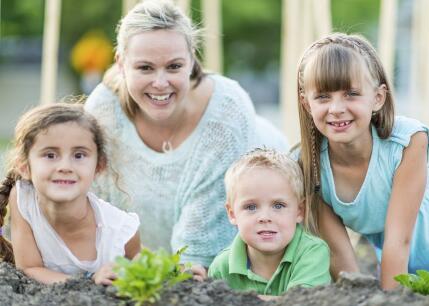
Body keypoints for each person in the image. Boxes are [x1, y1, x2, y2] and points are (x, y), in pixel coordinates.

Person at [84, 0, 288, 270]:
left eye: (173, 67)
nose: (160, 82)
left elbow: (200, 252)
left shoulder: (226, 114)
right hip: (151, 250)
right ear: (121, 64)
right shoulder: (102, 111)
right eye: (145, 68)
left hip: (257, 247)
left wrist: (174, 275)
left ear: (192, 61)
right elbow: (96, 209)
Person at [295, 32, 429, 290]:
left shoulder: (407, 142)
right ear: (306, 104)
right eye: (323, 97)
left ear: (378, 97)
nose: (336, 108)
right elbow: (341, 257)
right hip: (400, 254)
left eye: (351, 93)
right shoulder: (310, 167)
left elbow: (399, 242)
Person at [0, 103, 140, 285]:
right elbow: (29, 268)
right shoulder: (23, 199)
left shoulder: (120, 231)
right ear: (25, 167)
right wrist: (90, 280)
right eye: (50, 155)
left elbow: (149, 265)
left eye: (79, 155)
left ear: (98, 166)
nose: (65, 167)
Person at [208, 149, 331, 299]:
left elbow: (304, 303)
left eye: (278, 205)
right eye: (251, 207)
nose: (265, 217)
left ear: (299, 211)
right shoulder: (221, 267)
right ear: (232, 214)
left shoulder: (312, 253)